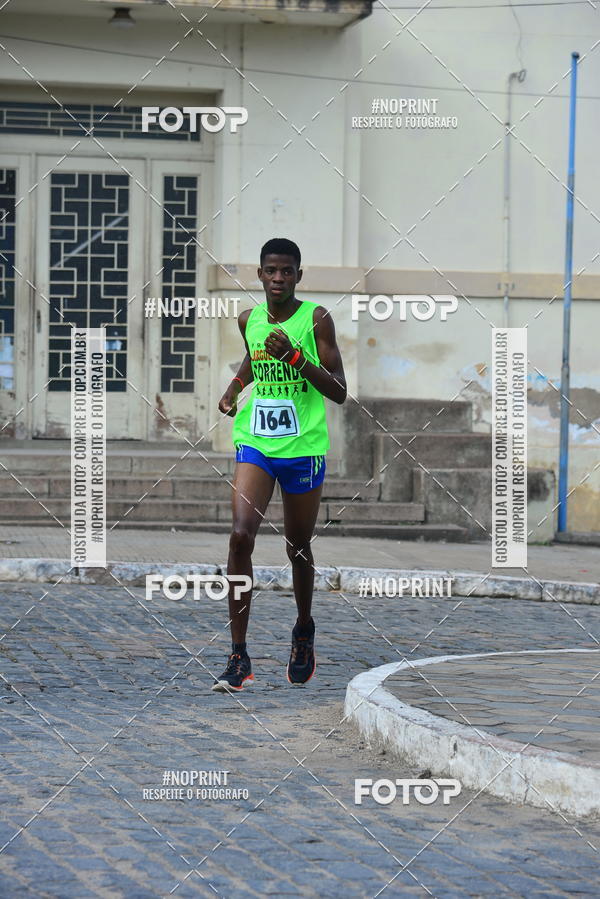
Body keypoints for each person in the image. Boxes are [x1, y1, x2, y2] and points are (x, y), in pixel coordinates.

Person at [214, 237, 347, 691]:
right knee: (239, 538)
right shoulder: (247, 319)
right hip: (256, 442)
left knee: (297, 547)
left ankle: (303, 629)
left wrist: (295, 357)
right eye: (270, 271)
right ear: (259, 274)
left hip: (303, 449)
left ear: (298, 276)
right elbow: (253, 359)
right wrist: (234, 387)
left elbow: (339, 389)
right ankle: (238, 655)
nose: (277, 279)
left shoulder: (316, 319)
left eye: (286, 271)